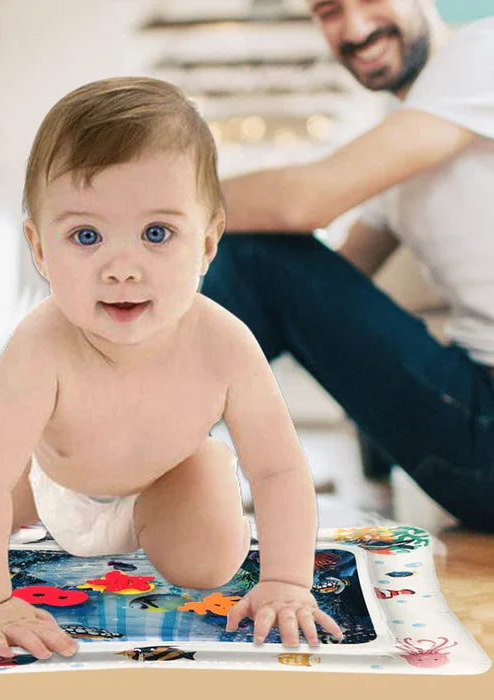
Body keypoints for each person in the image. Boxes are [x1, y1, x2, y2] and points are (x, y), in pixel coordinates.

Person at [0, 77, 344, 659]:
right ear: (40, 248)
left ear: (207, 243)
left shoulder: (225, 343)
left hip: (164, 486)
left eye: (156, 233)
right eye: (86, 235)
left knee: (211, 562)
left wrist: (286, 582)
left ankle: (202, 476)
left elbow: (277, 471)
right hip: (49, 488)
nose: (122, 268)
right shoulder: (41, 345)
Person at [201, 0, 494, 531]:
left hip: (485, 425)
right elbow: (332, 280)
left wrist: (148, 202)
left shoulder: (484, 52)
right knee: (261, 262)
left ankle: (112, 455)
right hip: (472, 424)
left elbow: (305, 204)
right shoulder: (404, 127)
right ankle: (135, 450)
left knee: (256, 258)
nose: (354, 28)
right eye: (329, 11)